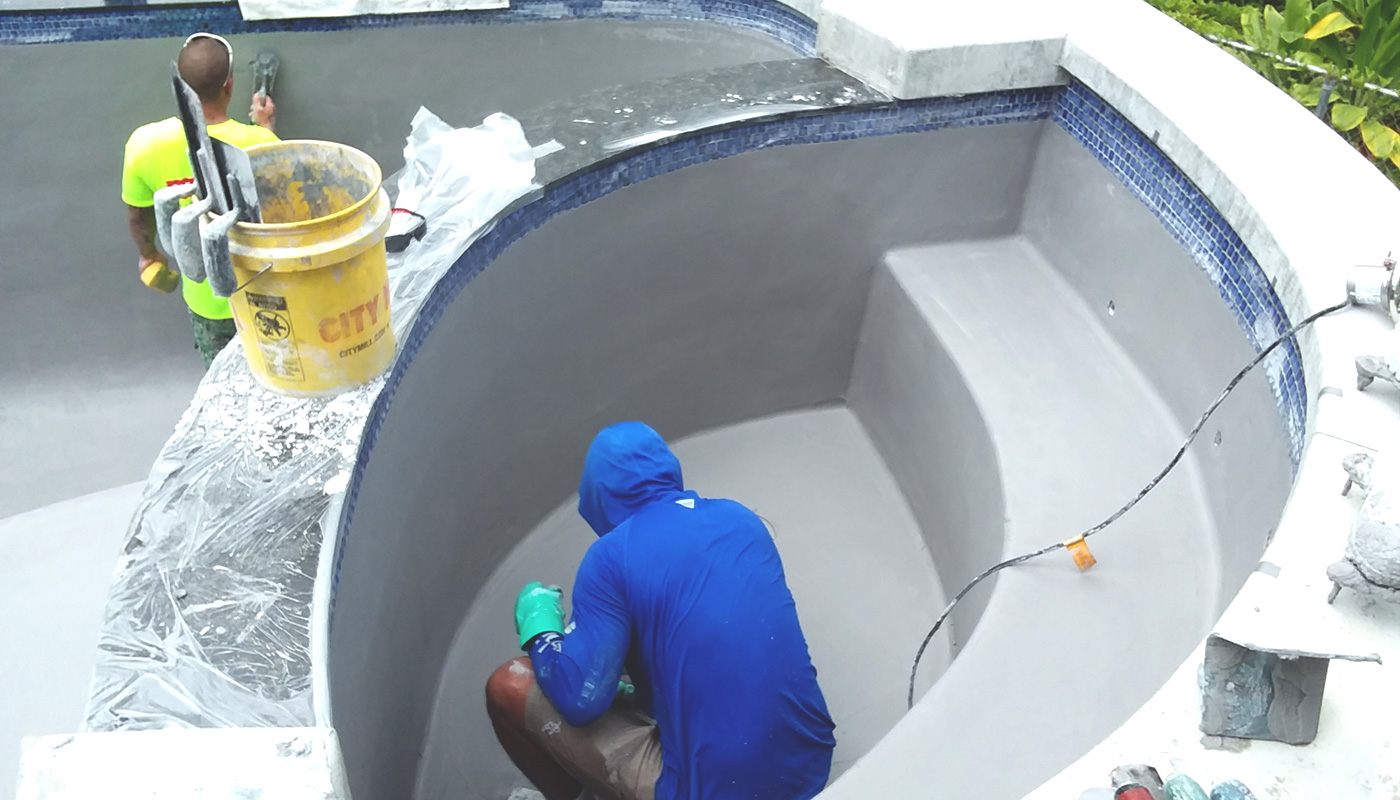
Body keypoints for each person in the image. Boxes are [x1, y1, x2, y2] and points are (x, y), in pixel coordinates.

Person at [486, 422, 836, 800]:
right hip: (810, 764)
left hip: (712, 792)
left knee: (508, 686)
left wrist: (541, 631)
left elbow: (580, 701)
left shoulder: (610, 557)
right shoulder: (741, 520)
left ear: (596, 497)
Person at [122, 32, 279, 368]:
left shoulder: (143, 145)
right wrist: (264, 128)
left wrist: (149, 256)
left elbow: (139, 218)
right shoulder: (261, 143)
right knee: (271, 375)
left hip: (206, 301)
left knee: (219, 378)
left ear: (181, 88)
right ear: (230, 86)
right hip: (262, 295)